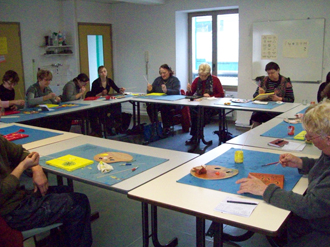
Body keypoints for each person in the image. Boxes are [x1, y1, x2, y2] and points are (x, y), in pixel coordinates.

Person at [236, 99, 330, 247]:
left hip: (323, 229)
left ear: (328, 139)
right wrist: (301, 163)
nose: (307, 138)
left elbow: (309, 207)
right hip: (319, 219)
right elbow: (323, 168)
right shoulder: (328, 151)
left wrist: (265, 189)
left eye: (311, 136)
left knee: (282, 220)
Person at [0, 100, 93, 247]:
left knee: (65, 191)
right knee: (79, 203)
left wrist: (36, 169)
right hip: (10, 212)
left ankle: (60, 241)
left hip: (15, 199)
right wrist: (23, 166)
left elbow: (21, 152)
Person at [185, 63, 224, 145]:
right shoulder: (197, 80)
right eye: (200, 75)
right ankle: (196, 136)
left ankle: (196, 136)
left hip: (212, 105)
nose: (202, 77)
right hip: (200, 105)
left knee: (200, 115)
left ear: (208, 74)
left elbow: (221, 94)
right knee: (194, 112)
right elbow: (191, 94)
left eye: (204, 76)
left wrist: (211, 95)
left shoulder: (215, 80)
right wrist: (188, 90)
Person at [250, 62, 294, 128]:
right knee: (256, 115)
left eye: (272, 73)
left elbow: (291, 99)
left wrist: (279, 99)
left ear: (278, 70)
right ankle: (254, 134)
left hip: (278, 109)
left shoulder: (285, 81)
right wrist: (260, 94)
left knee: (274, 117)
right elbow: (254, 96)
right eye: (268, 73)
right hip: (264, 109)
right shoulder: (263, 80)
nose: (270, 75)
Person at [89, 66, 125, 136]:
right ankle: (109, 126)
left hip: (106, 100)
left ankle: (117, 124)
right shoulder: (95, 83)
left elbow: (117, 89)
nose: (103, 73)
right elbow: (92, 95)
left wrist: (121, 90)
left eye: (104, 71)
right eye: (101, 72)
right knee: (105, 111)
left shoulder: (109, 81)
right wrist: (101, 93)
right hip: (98, 102)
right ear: (99, 73)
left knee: (117, 105)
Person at [146, 64, 181, 136]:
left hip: (172, 103)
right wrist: (149, 90)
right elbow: (151, 92)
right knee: (150, 107)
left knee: (164, 108)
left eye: (164, 72)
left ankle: (166, 127)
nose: (162, 74)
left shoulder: (175, 80)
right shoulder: (158, 80)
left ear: (169, 71)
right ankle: (156, 125)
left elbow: (177, 91)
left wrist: (166, 91)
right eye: (161, 73)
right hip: (159, 101)